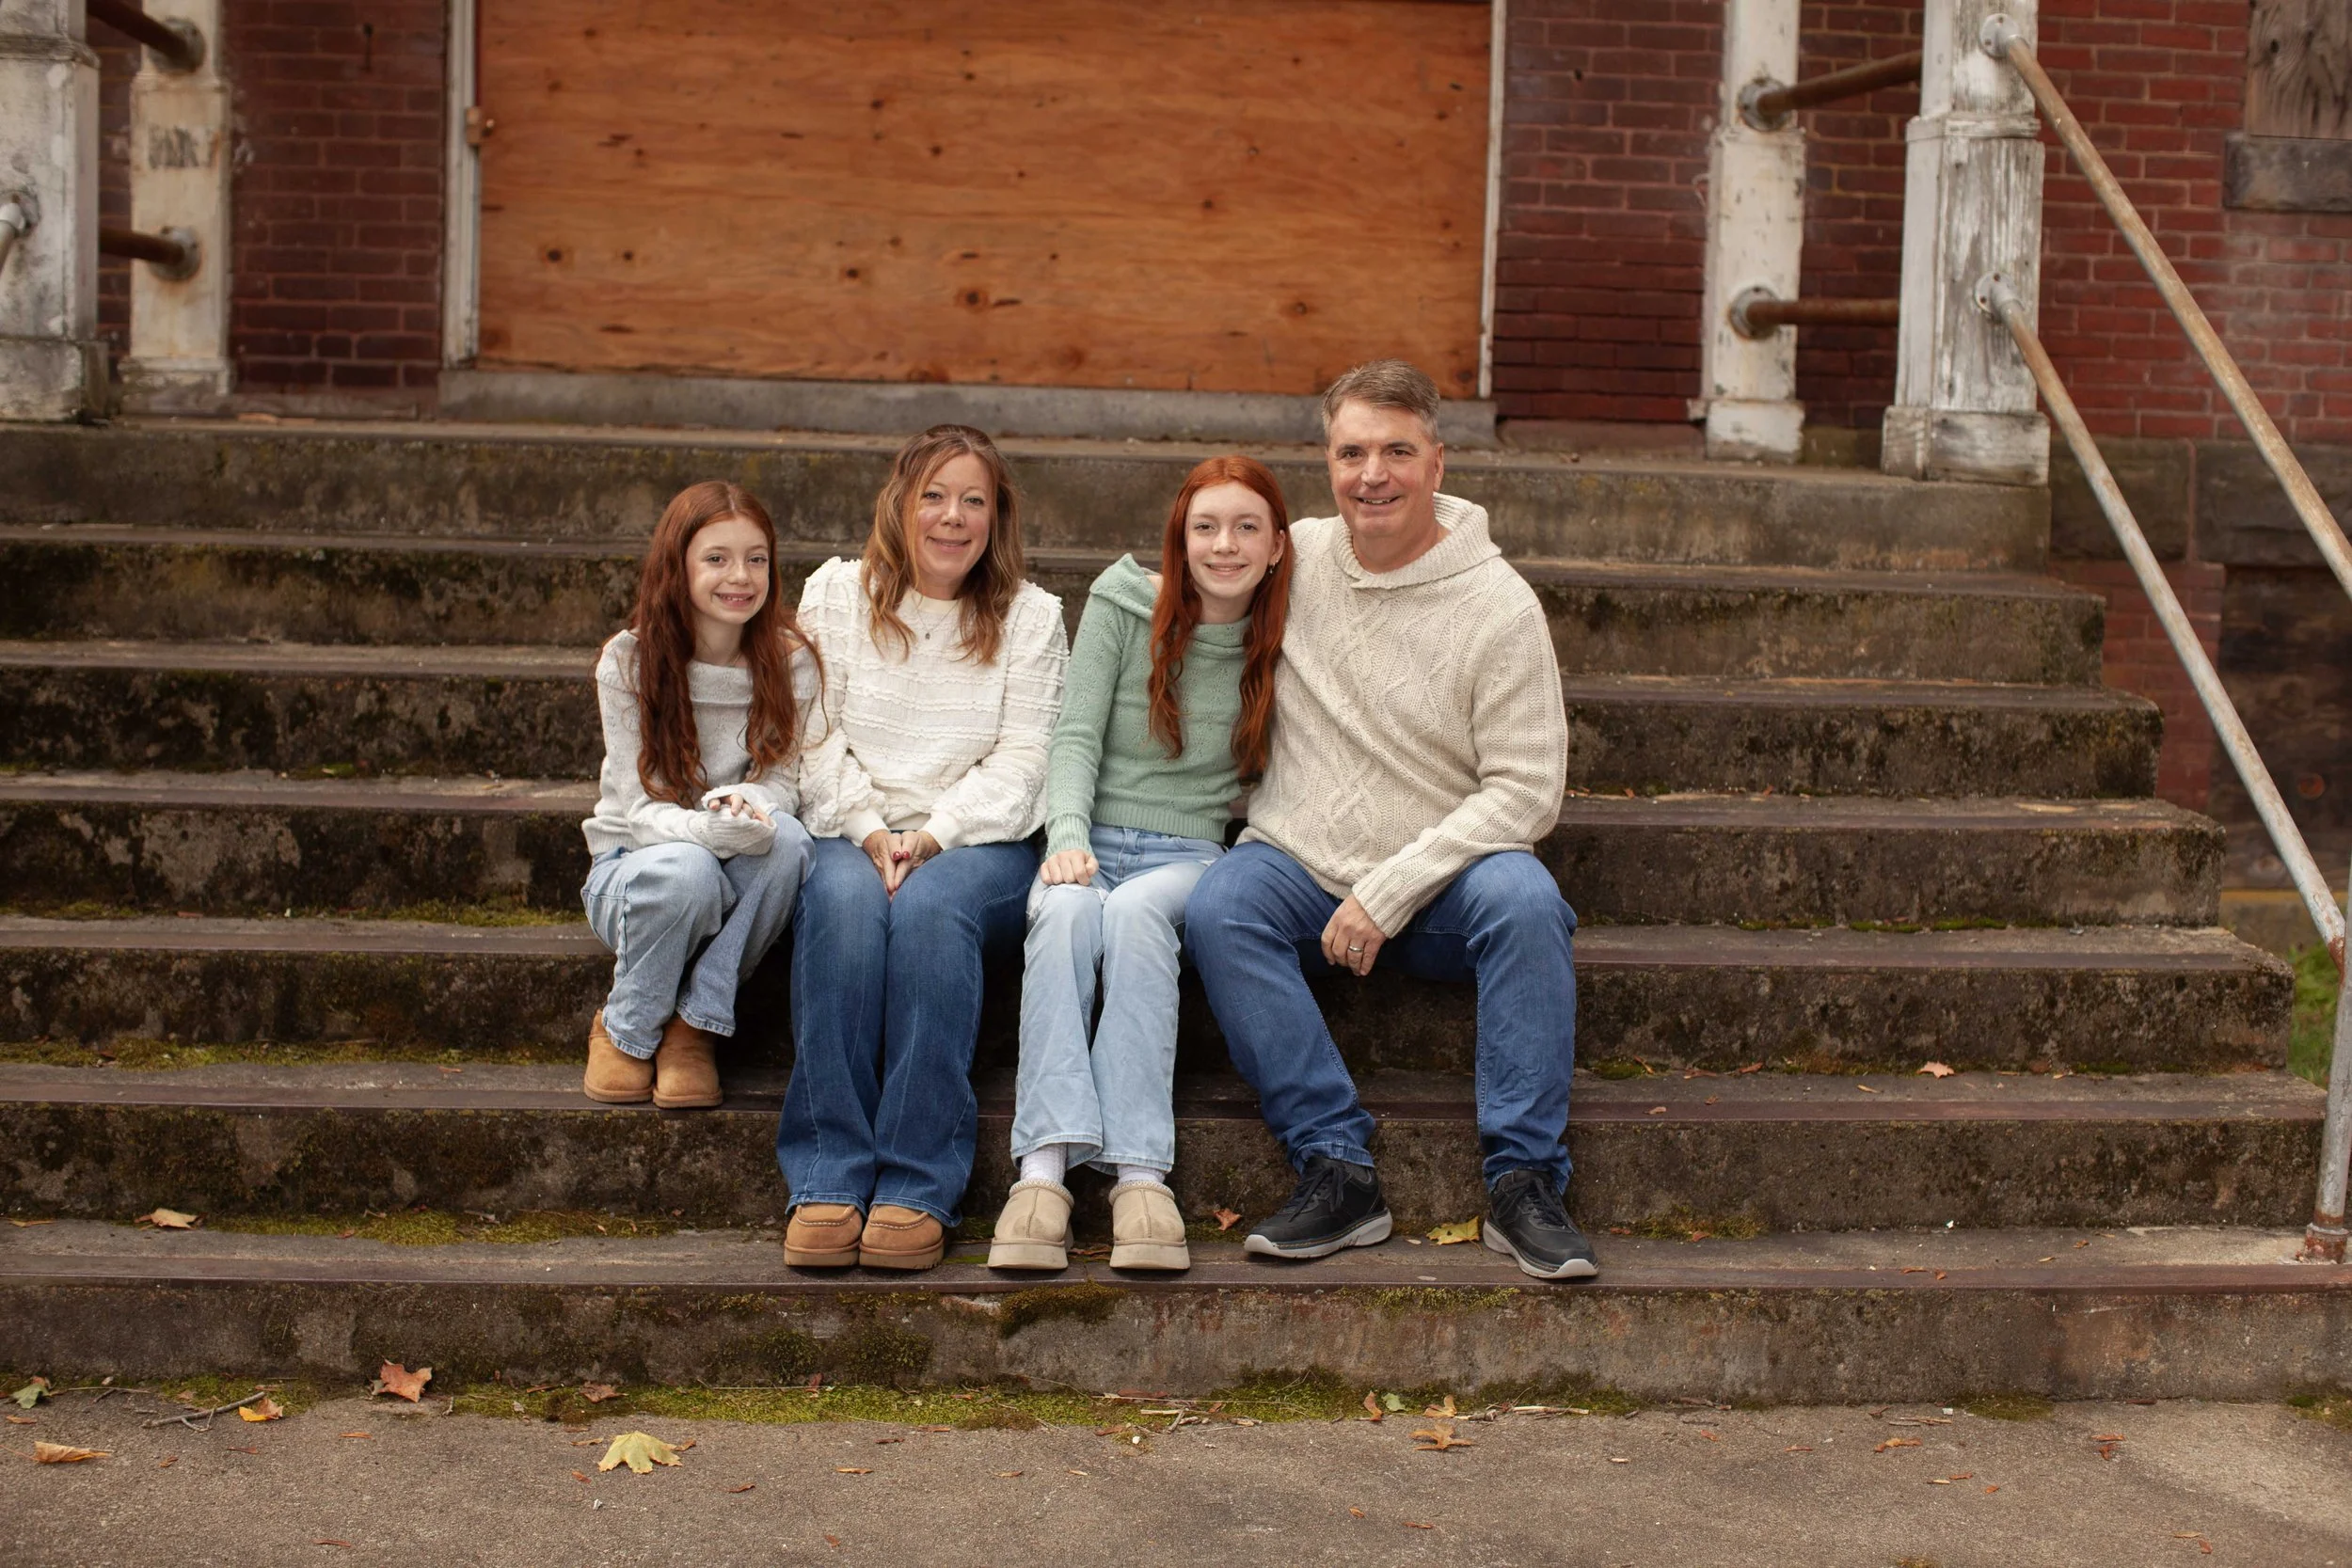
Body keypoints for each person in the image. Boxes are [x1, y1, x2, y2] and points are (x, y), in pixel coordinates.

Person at [1184, 359, 1594, 1280]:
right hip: (1301, 860)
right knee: (1218, 907)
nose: (1373, 473)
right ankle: (1336, 1165)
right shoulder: (1292, 555)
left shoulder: (1498, 605)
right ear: (1326, 461)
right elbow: (1177, 585)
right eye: (1351, 451)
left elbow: (1527, 792)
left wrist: (1389, 888)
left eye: (1396, 451)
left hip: (1444, 881)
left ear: (1437, 464)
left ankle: (1525, 1178)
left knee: (1527, 902)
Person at [989, 455, 1294, 1273]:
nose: (1223, 545)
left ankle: (1138, 1177)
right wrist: (1064, 836)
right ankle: (1042, 1175)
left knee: (1132, 914)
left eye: (1245, 527)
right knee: (1062, 913)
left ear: (1275, 546)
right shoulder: (1125, 603)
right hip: (1091, 835)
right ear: (1180, 537)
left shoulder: (1286, 632)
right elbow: (1076, 734)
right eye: (1205, 527)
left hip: (1188, 852)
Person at [781, 425, 1069, 1272]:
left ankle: (914, 1182)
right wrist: (874, 832)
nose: (952, 517)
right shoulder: (835, 594)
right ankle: (829, 1173)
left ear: (997, 516)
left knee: (936, 914)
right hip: (849, 825)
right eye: (933, 497)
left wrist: (932, 837)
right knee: (839, 903)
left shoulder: (1031, 615)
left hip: (976, 840)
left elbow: (1026, 761)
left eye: (973, 500)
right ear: (900, 505)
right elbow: (808, 734)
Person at [580, 480, 819, 1111]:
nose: (739, 575)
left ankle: (694, 1024)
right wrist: (709, 832)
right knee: (687, 871)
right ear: (677, 565)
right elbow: (633, 810)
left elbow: (783, 781)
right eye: (716, 558)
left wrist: (749, 804)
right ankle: (627, 1024)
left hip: (736, 870)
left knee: (791, 840)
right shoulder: (630, 661)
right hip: (637, 874)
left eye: (756, 558)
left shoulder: (790, 661)